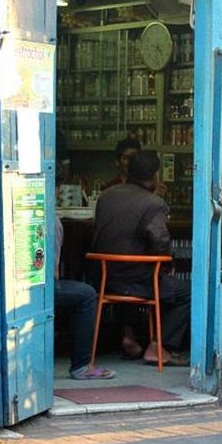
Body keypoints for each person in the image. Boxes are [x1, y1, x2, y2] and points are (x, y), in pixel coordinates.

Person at [92, 150, 190, 366]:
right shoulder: (153, 203)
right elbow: (160, 241)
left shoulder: (106, 196)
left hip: (103, 277)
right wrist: (168, 263)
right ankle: (159, 346)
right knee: (185, 293)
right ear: (155, 175)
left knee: (139, 273)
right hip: (136, 281)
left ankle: (129, 337)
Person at [55, 217, 115, 380]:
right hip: (35, 290)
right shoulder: (49, 221)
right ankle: (81, 366)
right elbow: (53, 272)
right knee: (86, 295)